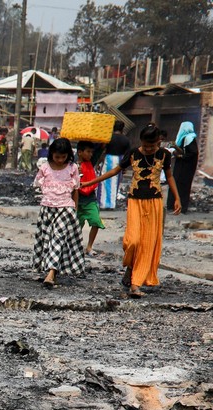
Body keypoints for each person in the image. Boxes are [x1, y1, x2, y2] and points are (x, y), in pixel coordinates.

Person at [90, 124, 181, 298]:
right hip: (135, 201)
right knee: (132, 241)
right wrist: (92, 182)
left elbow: (169, 176)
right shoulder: (133, 153)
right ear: (141, 141)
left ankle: (135, 283)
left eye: (152, 146)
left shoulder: (164, 155)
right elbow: (117, 170)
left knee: (147, 244)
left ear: (158, 142)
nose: (148, 149)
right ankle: (130, 266)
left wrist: (177, 198)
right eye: (146, 145)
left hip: (154, 202)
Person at [31, 137, 83, 288]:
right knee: (47, 240)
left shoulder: (72, 168)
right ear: (51, 154)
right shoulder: (45, 168)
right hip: (47, 208)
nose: (60, 160)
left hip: (66, 208)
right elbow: (39, 186)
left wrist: (75, 209)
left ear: (68, 155)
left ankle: (51, 273)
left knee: (58, 238)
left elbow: (75, 191)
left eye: (63, 157)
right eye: (57, 157)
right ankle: (52, 270)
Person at [75, 141, 104, 255]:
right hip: (78, 199)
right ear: (80, 152)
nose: (91, 154)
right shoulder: (73, 165)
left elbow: (99, 151)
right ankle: (76, 247)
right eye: (88, 152)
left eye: (92, 152)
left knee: (96, 221)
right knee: (77, 226)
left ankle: (89, 247)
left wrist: (101, 145)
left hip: (90, 199)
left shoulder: (91, 162)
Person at [98, 121, 129, 210]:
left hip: (108, 159)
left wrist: (98, 163)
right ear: (122, 129)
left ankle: (102, 203)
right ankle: (111, 204)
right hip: (119, 160)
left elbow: (102, 149)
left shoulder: (108, 137)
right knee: (115, 183)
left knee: (104, 181)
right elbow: (128, 154)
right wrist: (124, 166)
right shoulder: (126, 140)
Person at [169, 121, 198, 214]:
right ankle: (172, 205)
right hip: (181, 165)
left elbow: (193, 153)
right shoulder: (185, 138)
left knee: (183, 186)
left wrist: (182, 157)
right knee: (176, 183)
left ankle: (181, 207)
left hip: (186, 167)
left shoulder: (190, 138)